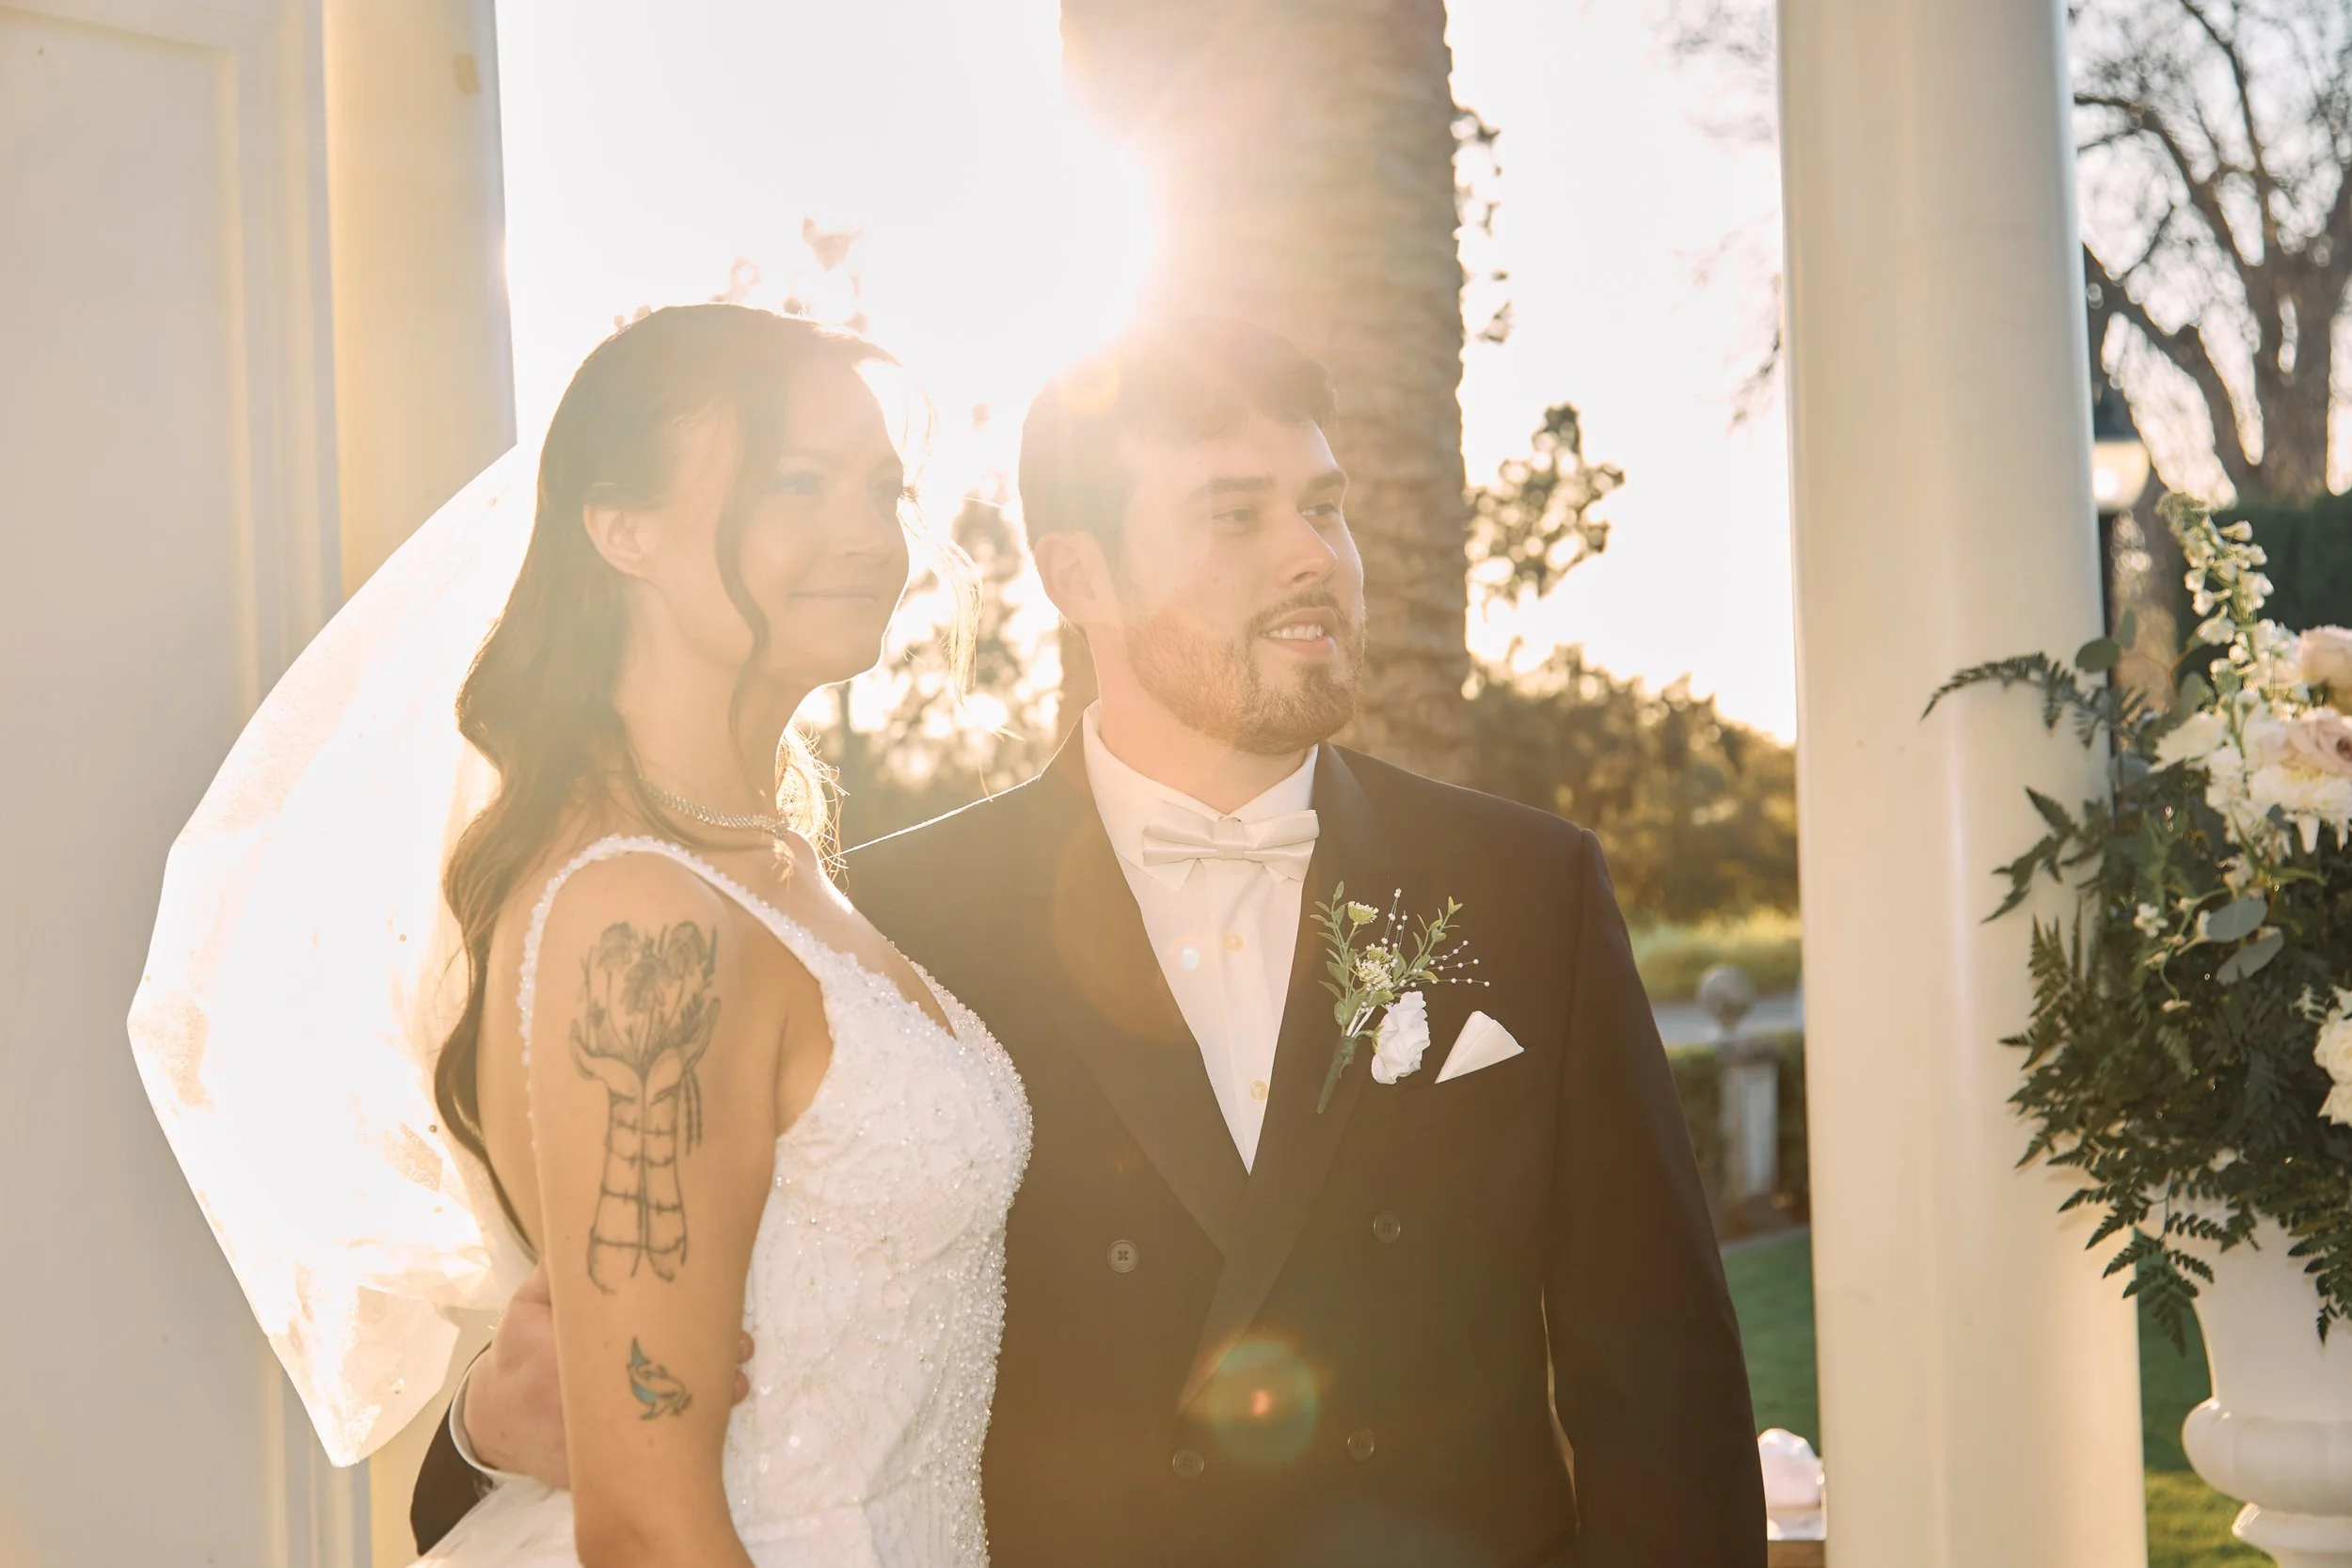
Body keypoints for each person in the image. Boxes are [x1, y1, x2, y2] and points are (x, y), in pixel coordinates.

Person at [418, 317, 1766, 1566]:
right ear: (1077, 574)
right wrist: (484, 1420)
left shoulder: (1525, 888)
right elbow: (624, 1402)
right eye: (1236, 515)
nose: (1314, 556)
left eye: (1325, 507)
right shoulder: (894, 927)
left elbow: (1662, 1379)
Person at [399, 302, 1031, 1566]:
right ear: (619, 527)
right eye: (798, 484)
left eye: (881, 490)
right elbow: (644, 1524)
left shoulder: (773, 871)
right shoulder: (640, 918)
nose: (869, 535)